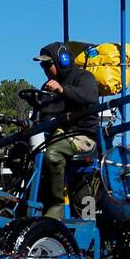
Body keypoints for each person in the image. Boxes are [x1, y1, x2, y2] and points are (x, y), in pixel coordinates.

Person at [32, 41, 99, 221]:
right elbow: (44, 115)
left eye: (48, 64)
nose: (45, 69)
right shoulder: (48, 86)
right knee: (24, 153)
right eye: (42, 65)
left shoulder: (83, 77)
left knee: (52, 154)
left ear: (62, 60)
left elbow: (89, 96)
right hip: (60, 134)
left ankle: (56, 207)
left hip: (83, 136)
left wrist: (62, 90)